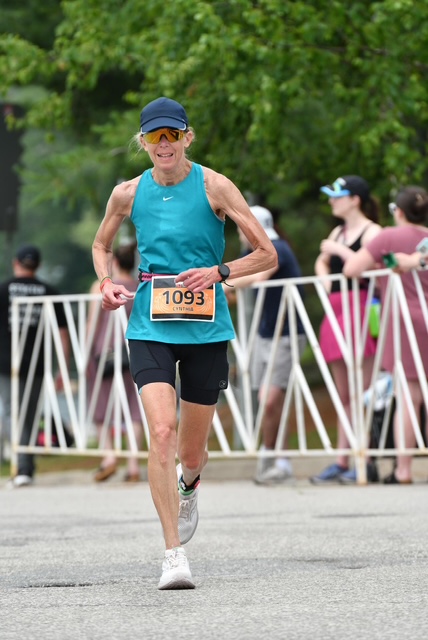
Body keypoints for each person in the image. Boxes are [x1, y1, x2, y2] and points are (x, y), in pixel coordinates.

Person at [91, 96, 277, 590]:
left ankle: (189, 484)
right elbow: (101, 244)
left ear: (187, 138)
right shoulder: (127, 193)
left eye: (172, 134)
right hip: (150, 324)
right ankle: (173, 553)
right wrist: (105, 282)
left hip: (205, 328)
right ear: (143, 142)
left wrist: (220, 272)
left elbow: (267, 254)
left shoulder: (215, 185)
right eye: (155, 136)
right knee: (162, 432)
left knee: (191, 454)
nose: (164, 143)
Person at [344, 185, 428, 484]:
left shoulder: (389, 237)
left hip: (405, 320)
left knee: (409, 395)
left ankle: (403, 469)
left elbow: (352, 269)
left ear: (398, 211)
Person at [225, 205, 307, 484]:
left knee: (269, 399)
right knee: (269, 400)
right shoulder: (252, 253)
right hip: (266, 333)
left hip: (286, 332)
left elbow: (256, 278)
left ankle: (272, 456)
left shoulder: (277, 249)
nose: (240, 234)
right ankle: (277, 458)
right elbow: (238, 285)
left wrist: (221, 283)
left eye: (241, 228)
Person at [310, 176, 382, 484]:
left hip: (362, 307)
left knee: (363, 391)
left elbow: (372, 267)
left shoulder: (372, 231)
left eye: (337, 196)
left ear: (355, 199)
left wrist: (339, 252)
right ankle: (342, 459)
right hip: (338, 308)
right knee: (344, 394)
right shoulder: (338, 231)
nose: (331, 201)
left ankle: (366, 459)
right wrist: (327, 282)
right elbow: (321, 262)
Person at [0, 245, 69, 488]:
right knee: (29, 416)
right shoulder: (49, 291)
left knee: (12, 413)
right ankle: (25, 467)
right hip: (38, 364)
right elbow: (63, 334)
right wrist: (63, 367)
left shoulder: (3, 289)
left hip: (7, 363)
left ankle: (23, 467)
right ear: (38, 265)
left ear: (15, 263)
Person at [87, 242, 143, 483]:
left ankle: (109, 456)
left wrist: (85, 352)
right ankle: (133, 464)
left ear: (115, 262)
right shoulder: (141, 287)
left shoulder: (101, 287)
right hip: (135, 350)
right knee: (135, 408)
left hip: (105, 353)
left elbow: (92, 322)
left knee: (100, 404)